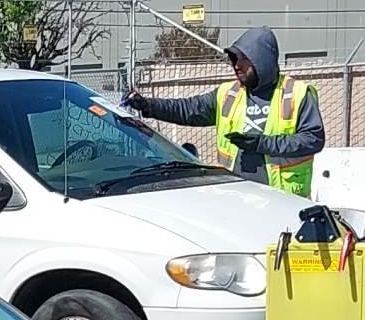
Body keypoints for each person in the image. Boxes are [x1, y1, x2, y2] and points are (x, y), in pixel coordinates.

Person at [124, 27, 325, 197]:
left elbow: (313, 139)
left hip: (282, 199)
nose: (236, 65)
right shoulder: (228, 94)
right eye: (233, 59)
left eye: (242, 59)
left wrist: (263, 144)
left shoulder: (297, 94)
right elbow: (188, 109)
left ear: (261, 59)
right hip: (236, 196)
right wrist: (148, 106)